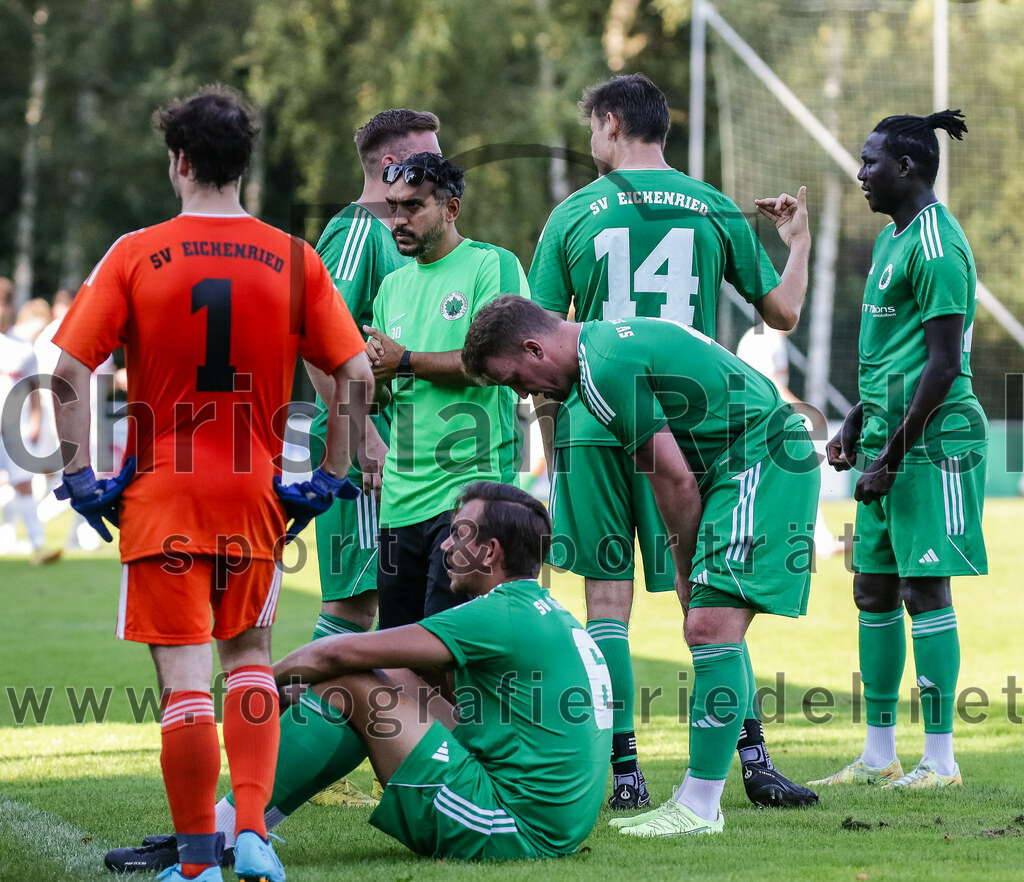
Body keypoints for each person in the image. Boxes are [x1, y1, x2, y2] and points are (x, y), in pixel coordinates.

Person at [52, 85, 374, 882]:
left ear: (180, 161)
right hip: (253, 497)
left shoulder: (136, 252)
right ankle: (252, 834)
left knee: (185, 682)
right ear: (243, 165)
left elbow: (66, 371)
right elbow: (356, 374)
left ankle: (197, 862)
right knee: (251, 660)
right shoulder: (294, 258)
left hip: (163, 496)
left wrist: (80, 474)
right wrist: (328, 476)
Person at [527, 72, 815, 809]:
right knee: (713, 594)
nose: (592, 140)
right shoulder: (712, 205)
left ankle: (624, 774)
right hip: (694, 425)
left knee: (607, 604)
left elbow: (537, 341)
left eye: (593, 127)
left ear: (613, 124)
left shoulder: (574, 212)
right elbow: (783, 314)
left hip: (597, 417)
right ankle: (752, 759)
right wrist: (799, 242)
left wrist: (555, 445)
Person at [463, 297, 821, 837]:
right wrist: (690, 568)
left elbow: (674, 480)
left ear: (534, 349)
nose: (521, 393)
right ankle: (711, 791)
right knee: (710, 626)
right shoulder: (604, 349)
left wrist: (685, 567)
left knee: (708, 626)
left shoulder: (603, 371)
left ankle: (700, 807)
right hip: (741, 462)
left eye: (514, 378)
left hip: (760, 458)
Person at [272, 480, 612, 859]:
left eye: (457, 535)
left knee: (347, 678)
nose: (446, 546)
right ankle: (253, 819)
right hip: (551, 825)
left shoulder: (496, 613)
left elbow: (335, 653)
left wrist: (258, 682)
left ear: (489, 552)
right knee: (389, 675)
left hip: (512, 828)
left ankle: (234, 824)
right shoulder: (547, 612)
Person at [812, 110, 986, 790]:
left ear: (905, 166)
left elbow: (944, 366)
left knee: (924, 588)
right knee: (873, 589)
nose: (861, 173)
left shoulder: (937, 245)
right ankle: (878, 754)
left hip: (934, 441)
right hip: (889, 436)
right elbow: (898, 355)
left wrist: (890, 460)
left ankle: (940, 760)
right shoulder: (893, 239)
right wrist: (857, 422)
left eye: (870, 160)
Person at [363, 151, 527, 630]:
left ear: (451, 209)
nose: (398, 220)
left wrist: (404, 361)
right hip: (399, 502)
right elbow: (383, 397)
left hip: (471, 496)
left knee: (452, 648)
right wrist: (372, 378)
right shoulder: (392, 287)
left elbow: (495, 363)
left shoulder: (491, 264)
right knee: (398, 653)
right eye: (393, 207)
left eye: (413, 206)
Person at [735, 322, 842, 558]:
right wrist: (803, 411)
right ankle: (817, 542)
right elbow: (769, 385)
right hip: (757, 428)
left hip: (765, 426)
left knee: (792, 480)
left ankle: (816, 541)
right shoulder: (762, 337)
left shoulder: (774, 339)